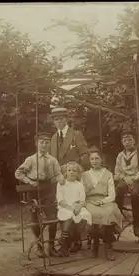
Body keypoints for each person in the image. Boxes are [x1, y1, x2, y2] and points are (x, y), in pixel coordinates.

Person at [14, 132, 65, 258]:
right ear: (36, 144)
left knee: (53, 217)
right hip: (34, 191)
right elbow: (18, 173)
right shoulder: (31, 159)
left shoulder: (53, 160)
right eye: (41, 142)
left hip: (48, 190)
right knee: (35, 220)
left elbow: (58, 173)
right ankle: (40, 247)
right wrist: (30, 181)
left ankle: (51, 246)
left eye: (47, 142)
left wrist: (61, 178)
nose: (44, 145)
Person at [49, 106, 90, 253]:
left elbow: (85, 154)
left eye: (60, 118)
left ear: (66, 119)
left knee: (76, 207)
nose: (58, 121)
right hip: (61, 182)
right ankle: (69, 240)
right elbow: (51, 161)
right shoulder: (53, 139)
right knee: (64, 209)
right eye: (55, 119)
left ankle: (76, 241)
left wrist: (76, 172)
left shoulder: (76, 135)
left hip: (74, 178)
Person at [82, 147, 122, 261]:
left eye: (97, 158)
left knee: (109, 213)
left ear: (101, 159)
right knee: (91, 214)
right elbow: (81, 193)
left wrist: (102, 201)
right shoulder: (84, 175)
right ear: (89, 160)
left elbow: (112, 195)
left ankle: (108, 246)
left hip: (105, 201)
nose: (95, 161)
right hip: (89, 201)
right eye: (92, 159)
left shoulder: (108, 174)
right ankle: (94, 244)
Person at [114, 128, 139, 239]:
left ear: (134, 141)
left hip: (137, 179)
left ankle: (136, 225)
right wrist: (124, 178)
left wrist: (134, 179)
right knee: (118, 190)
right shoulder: (120, 156)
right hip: (125, 180)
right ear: (122, 142)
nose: (127, 142)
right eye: (124, 140)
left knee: (135, 195)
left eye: (129, 140)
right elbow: (117, 172)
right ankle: (117, 220)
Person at [56, 161, 92, 257]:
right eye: (69, 170)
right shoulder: (61, 184)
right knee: (69, 216)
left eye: (74, 171)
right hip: (65, 207)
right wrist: (71, 208)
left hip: (77, 208)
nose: (72, 172)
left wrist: (78, 207)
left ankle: (72, 240)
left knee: (85, 215)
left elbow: (82, 199)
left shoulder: (79, 184)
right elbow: (60, 200)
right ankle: (65, 244)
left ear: (78, 173)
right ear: (65, 172)